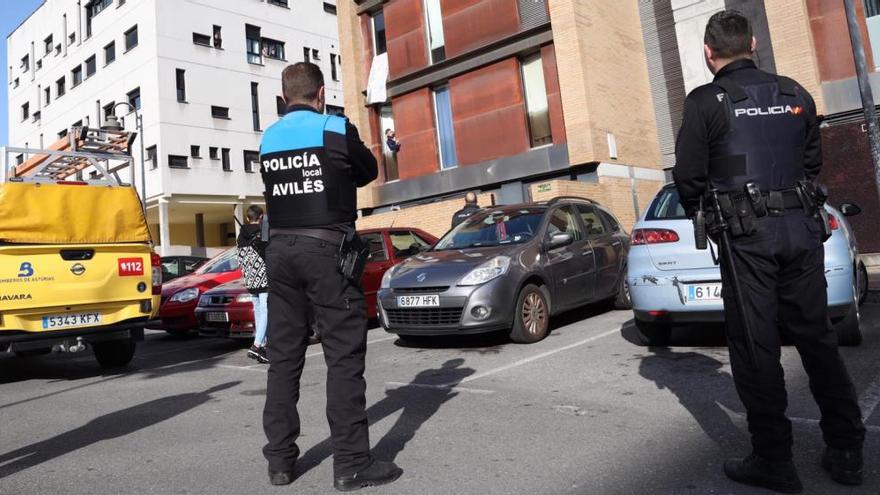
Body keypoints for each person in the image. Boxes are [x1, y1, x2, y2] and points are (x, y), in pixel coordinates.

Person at [673, 11, 865, 494]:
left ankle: (774, 460)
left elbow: (691, 177)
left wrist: (715, 206)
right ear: (754, 43)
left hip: (747, 237)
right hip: (801, 230)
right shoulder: (795, 93)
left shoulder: (705, 102)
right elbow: (811, 162)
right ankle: (846, 450)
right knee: (817, 337)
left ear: (708, 53)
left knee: (756, 346)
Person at [259, 62, 403, 491]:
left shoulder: (268, 137)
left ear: (285, 98)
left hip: (279, 252)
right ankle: (353, 464)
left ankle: (280, 463)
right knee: (343, 357)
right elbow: (368, 171)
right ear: (321, 93)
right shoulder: (335, 128)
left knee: (283, 358)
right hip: (327, 251)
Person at [237, 205, 269, 364]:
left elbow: (240, 258)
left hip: (249, 279)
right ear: (261, 216)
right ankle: (257, 345)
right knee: (266, 311)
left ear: (248, 217)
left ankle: (263, 346)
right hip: (264, 278)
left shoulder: (241, 236)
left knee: (258, 311)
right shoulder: (263, 232)